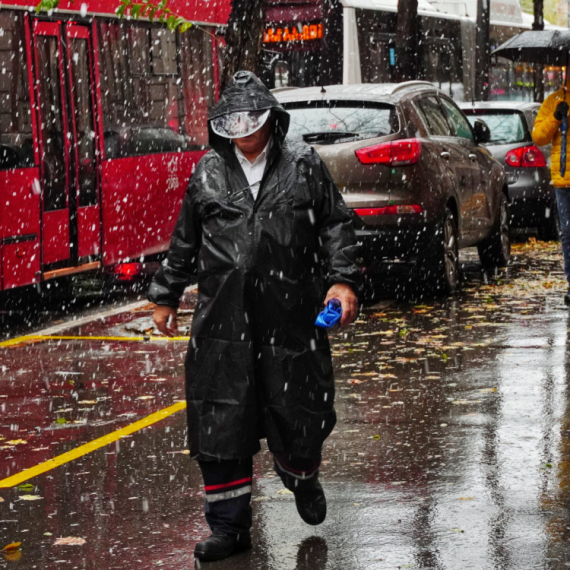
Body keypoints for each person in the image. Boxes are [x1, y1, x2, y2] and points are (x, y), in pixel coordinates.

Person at [148, 71, 362, 562]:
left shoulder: (303, 165)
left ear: (271, 121)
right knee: (221, 422)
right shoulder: (207, 173)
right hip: (221, 323)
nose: (243, 132)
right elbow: (184, 240)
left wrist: (342, 280)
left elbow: (335, 225)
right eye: (233, 123)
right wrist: (166, 293)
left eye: (251, 120)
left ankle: (302, 474)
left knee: (299, 413)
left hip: (290, 316)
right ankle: (230, 527)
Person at [533, 91, 570, 304]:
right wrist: (556, 117)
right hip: (564, 179)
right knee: (567, 233)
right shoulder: (556, 99)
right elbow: (539, 136)